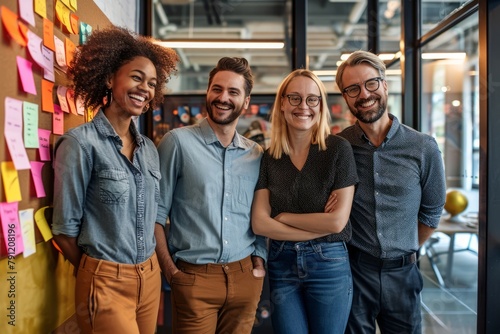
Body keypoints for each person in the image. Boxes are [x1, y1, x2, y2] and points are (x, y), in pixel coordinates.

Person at [51, 26, 179, 334]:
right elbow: (64, 230)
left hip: (149, 278)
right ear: (110, 78)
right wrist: (96, 275)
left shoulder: (149, 148)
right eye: (136, 77)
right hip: (105, 279)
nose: (144, 89)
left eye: (151, 83)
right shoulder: (80, 144)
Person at [335, 50, 447, 334]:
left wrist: (403, 248)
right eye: (353, 89)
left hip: (403, 273)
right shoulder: (338, 147)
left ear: (384, 85)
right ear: (345, 96)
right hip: (354, 272)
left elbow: (432, 212)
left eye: (371, 83)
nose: (364, 94)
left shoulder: (423, 147)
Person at [154, 57, 267, 334]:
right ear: (208, 91)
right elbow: (154, 215)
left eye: (233, 92)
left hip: (245, 278)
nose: (223, 98)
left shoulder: (256, 154)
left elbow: (262, 215)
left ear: (246, 100)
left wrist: (259, 263)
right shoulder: (177, 143)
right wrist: (171, 273)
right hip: (194, 277)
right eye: (217, 89)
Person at [251, 69, 358, 334]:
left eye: (312, 99)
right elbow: (260, 224)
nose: (304, 106)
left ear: (321, 105)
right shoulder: (270, 157)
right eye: (295, 98)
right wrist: (317, 225)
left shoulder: (338, 150)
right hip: (282, 262)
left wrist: (284, 217)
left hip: (329, 264)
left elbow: (336, 222)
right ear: (283, 103)